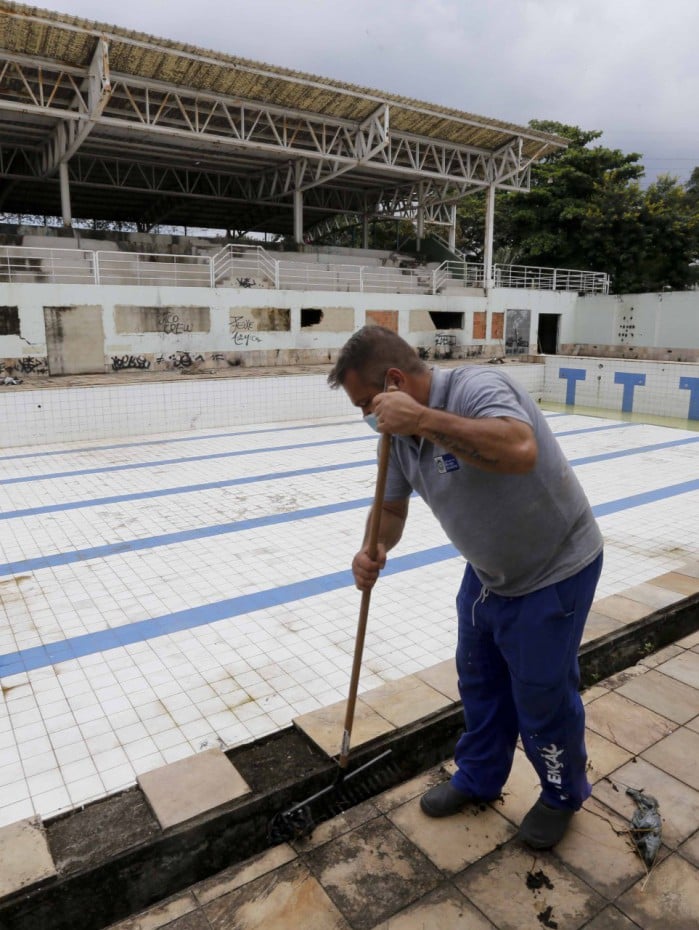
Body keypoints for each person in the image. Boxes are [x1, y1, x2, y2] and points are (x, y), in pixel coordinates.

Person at [328, 325, 603, 850]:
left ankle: (561, 794)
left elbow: (519, 448)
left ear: (394, 381)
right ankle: (479, 776)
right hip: (487, 574)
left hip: (554, 569)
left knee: (542, 694)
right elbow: (390, 509)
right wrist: (373, 547)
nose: (368, 416)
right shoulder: (396, 438)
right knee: (479, 681)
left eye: (366, 403)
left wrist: (422, 419)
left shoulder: (476, 388)